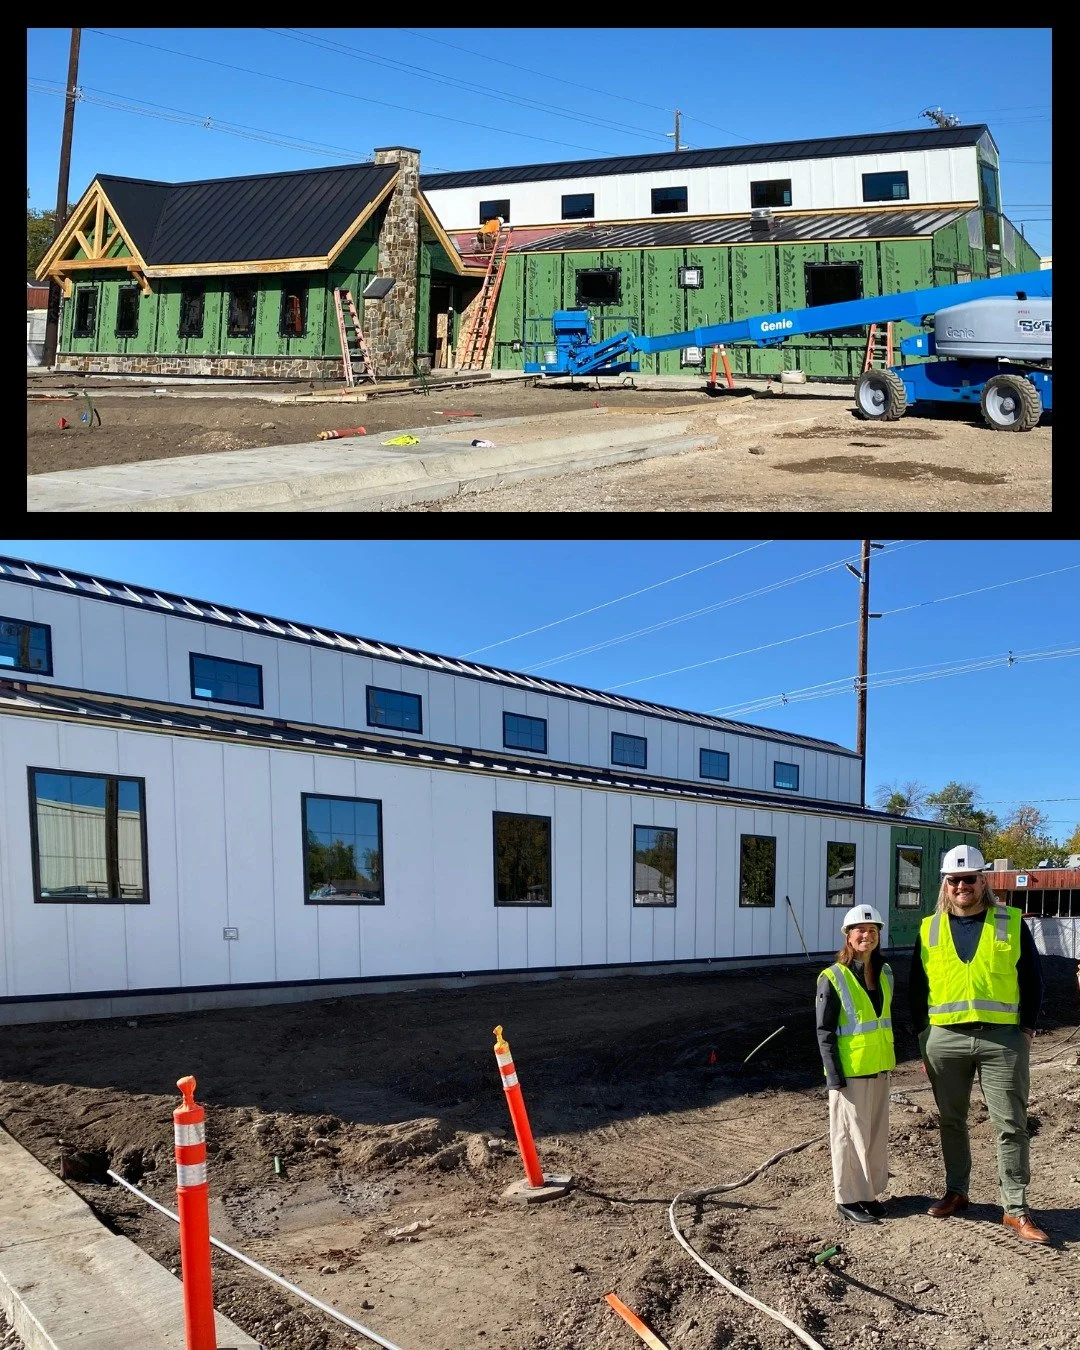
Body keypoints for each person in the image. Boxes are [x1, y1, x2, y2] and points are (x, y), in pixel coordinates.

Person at [909, 844, 1048, 1243]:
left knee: (1011, 1125)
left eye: (969, 878)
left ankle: (1015, 1209)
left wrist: (1026, 1030)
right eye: (954, 880)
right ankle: (957, 1191)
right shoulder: (929, 928)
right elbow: (916, 988)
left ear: (983, 881)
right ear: (945, 884)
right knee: (951, 1120)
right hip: (945, 1039)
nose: (961, 886)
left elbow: (1032, 979)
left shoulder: (1010, 921)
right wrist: (924, 1037)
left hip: (1002, 1040)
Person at [816, 903, 895, 1224]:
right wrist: (833, 1076)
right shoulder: (832, 977)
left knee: (874, 1137)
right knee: (848, 1138)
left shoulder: (885, 973)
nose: (867, 935)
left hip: (880, 1068)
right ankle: (846, 1199)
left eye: (873, 930)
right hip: (850, 1073)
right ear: (848, 936)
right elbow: (824, 1031)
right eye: (860, 930)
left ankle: (867, 1194)